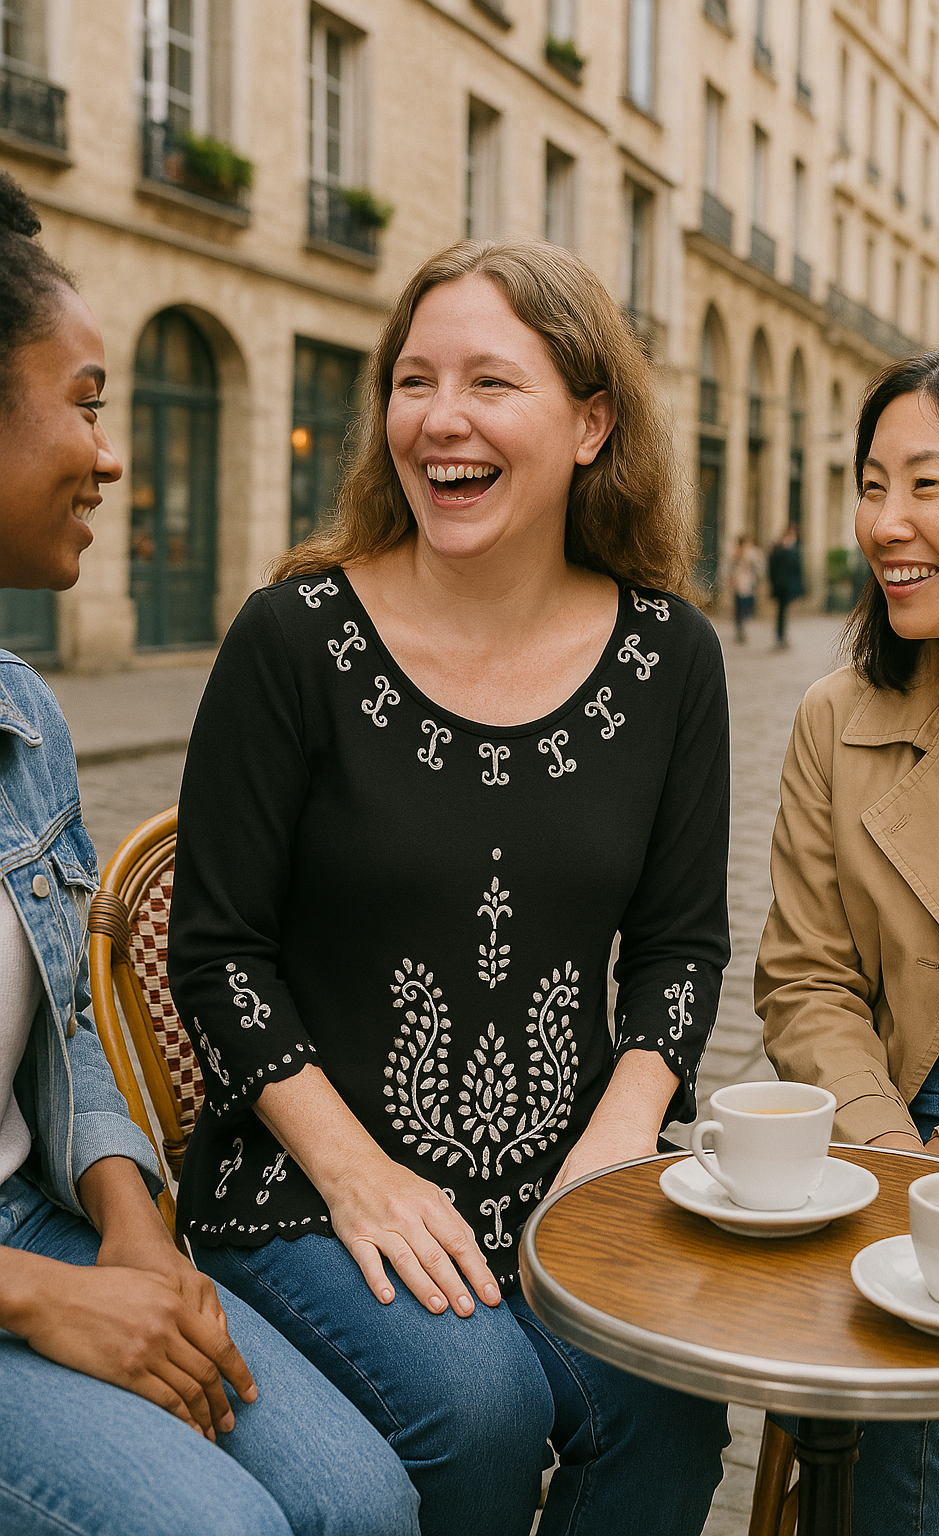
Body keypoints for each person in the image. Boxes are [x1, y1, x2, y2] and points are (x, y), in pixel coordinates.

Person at [167, 238, 733, 1536]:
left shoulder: (671, 658)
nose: (440, 419)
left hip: (569, 1178)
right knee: (475, 1412)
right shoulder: (293, 639)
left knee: (671, 1401)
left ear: (592, 424)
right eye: (412, 381)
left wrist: (616, 1141)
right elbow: (216, 952)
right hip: (309, 1186)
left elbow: (681, 947)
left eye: (490, 381)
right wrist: (360, 1174)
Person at [0, 172, 420, 1536]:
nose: (112, 453)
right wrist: (43, 1299)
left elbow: (65, 1038)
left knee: (362, 1498)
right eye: (86, 399)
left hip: (43, 1216)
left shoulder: (23, 715)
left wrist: (130, 1230)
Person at [755, 337, 939, 1535]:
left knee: (888, 1345)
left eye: (926, 483)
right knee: (878, 1344)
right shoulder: (835, 715)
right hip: (882, 1116)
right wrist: (884, 1148)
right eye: (871, 484)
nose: (883, 521)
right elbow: (803, 976)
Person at [768, 523, 803, 648]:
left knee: (784, 612)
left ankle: (782, 636)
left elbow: (797, 568)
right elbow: (773, 566)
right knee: (781, 612)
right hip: (780, 586)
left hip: (788, 586)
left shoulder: (795, 549)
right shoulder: (779, 548)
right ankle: (780, 636)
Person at [725, 533, 764, 642]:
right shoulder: (734, 554)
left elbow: (759, 568)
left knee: (747, 607)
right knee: (738, 608)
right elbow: (728, 569)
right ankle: (739, 630)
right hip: (738, 585)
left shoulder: (753, 554)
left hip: (749, 585)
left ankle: (744, 627)